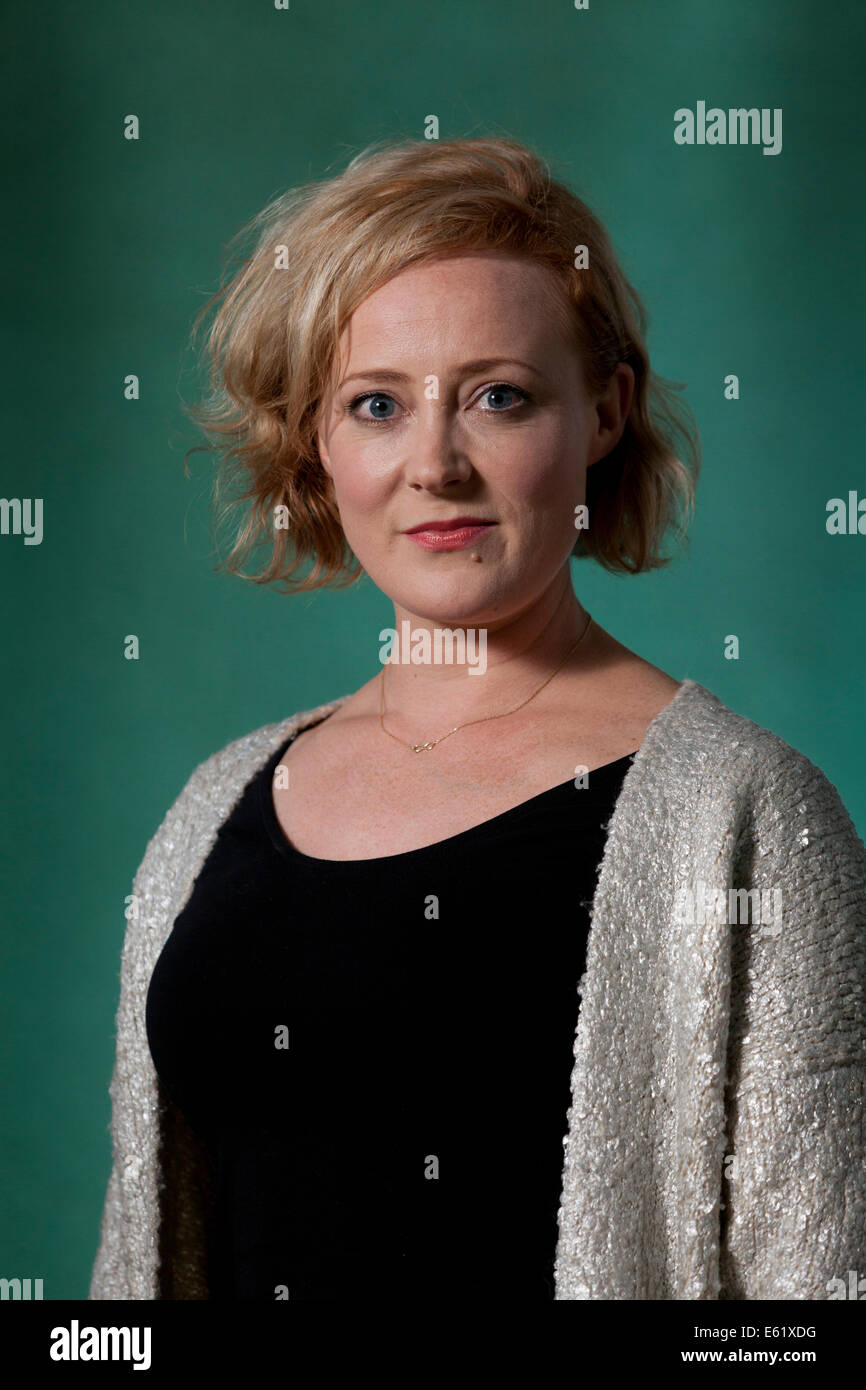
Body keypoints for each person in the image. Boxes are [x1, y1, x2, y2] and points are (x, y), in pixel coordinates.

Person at [89, 136, 866, 1301]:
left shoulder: (742, 813)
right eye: (375, 405)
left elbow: (816, 1300)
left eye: (497, 397)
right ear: (317, 444)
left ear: (599, 414)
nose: (435, 464)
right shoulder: (217, 804)